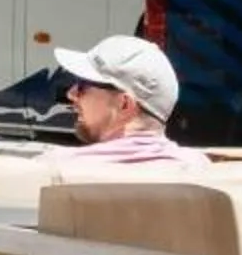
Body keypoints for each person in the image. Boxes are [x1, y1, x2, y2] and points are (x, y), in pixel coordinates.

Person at [58, 34, 203, 164]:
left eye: (83, 84)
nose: (71, 93)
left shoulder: (59, 168)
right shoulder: (199, 167)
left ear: (125, 105)